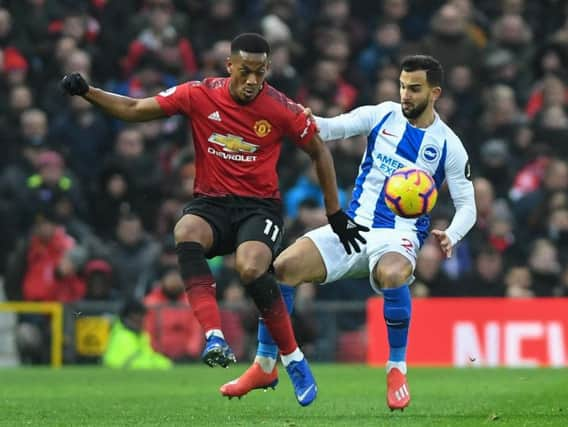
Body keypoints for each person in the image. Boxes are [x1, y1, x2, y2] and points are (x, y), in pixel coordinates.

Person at [60, 33, 368, 406]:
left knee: (251, 268)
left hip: (259, 208)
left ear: (268, 69)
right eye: (245, 71)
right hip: (212, 204)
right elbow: (135, 109)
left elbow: (320, 153)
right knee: (185, 230)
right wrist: (88, 91)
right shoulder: (198, 94)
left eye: (260, 72)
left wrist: (336, 213)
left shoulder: (281, 108)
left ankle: (293, 359)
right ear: (229, 66)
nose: (253, 81)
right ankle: (214, 336)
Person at [220, 55, 477, 411]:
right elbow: (330, 128)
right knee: (282, 268)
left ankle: (396, 368)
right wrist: (303, 118)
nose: (405, 94)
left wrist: (454, 233)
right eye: (402, 86)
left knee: (392, 274)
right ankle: (265, 365)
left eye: (414, 88)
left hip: (397, 235)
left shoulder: (449, 144)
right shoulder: (382, 114)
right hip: (353, 227)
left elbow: (468, 205)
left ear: (435, 93)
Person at [103, 299, 173, 370]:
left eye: (143, 315)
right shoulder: (123, 336)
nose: (142, 318)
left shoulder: (141, 335)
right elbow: (131, 363)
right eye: (138, 314)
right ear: (127, 316)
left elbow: (148, 356)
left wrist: (164, 362)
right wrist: (159, 364)